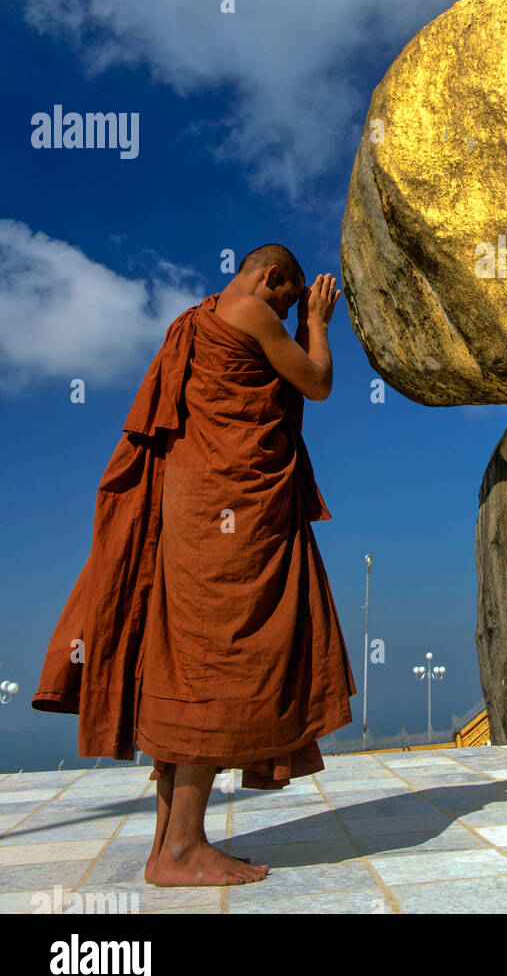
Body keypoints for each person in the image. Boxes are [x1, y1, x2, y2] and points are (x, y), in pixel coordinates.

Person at [32, 245, 355, 887]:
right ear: (271, 278)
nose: (287, 312)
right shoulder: (251, 313)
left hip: (190, 517)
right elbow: (316, 382)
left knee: (189, 663)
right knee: (221, 664)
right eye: (288, 299)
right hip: (231, 519)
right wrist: (316, 325)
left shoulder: (192, 320)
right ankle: (180, 849)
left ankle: (170, 847)